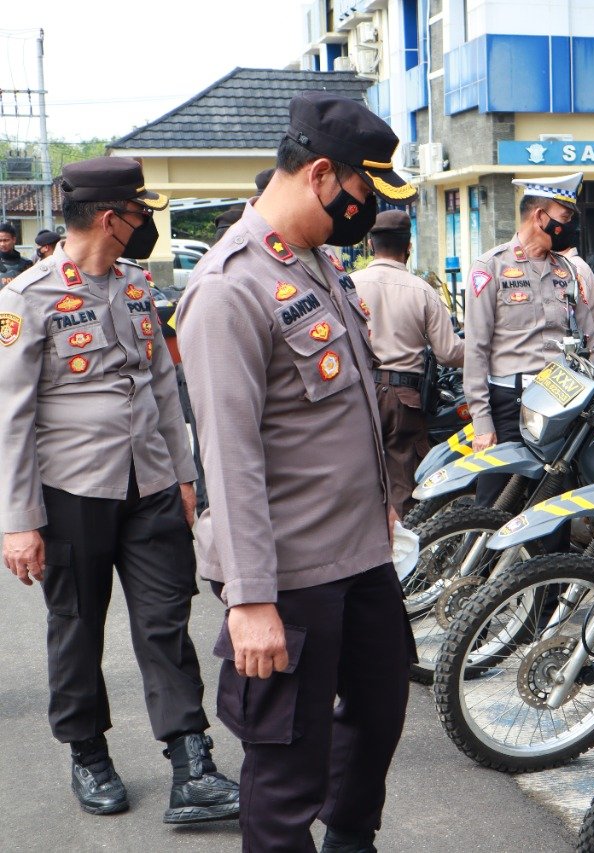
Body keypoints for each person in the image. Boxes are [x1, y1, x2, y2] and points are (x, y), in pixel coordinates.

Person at [177, 90, 416, 853]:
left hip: (359, 554)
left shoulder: (316, 264)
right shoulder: (228, 286)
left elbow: (343, 407)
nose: (368, 209)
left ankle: (351, 840)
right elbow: (230, 455)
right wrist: (249, 600)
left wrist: (383, 508)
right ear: (320, 175)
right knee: (287, 766)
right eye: (363, 191)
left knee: (378, 709)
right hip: (286, 572)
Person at [0, 157, 239, 822]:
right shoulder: (27, 296)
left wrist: (185, 476)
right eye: (139, 210)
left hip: (152, 483)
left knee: (167, 622)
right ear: (112, 217)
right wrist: (18, 519)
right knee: (76, 626)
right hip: (71, 491)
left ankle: (191, 764)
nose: (146, 222)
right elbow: (11, 416)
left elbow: (165, 386)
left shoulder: (136, 287)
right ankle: (87, 751)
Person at [464, 171, 594, 506]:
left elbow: (589, 343)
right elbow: (475, 350)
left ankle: (550, 560)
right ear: (540, 217)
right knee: (494, 505)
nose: (570, 228)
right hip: (509, 404)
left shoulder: (568, 272)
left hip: (560, 404)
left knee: (553, 506)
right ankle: (481, 561)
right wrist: (482, 422)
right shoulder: (490, 267)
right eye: (565, 218)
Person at [352, 209, 464, 514]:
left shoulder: (347, 285)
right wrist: (485, 351)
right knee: (403, 482)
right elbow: (449, 353)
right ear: (408, 247)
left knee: (358, 478)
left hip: (358, 394)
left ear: (371, 245)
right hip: (406, 400)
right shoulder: (422, 291)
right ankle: (400, 555)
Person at [0, 220, 33, 285]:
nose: (2, 244)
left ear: (14, 240)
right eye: (0, 241)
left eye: (6, 240)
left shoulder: (27, 264)